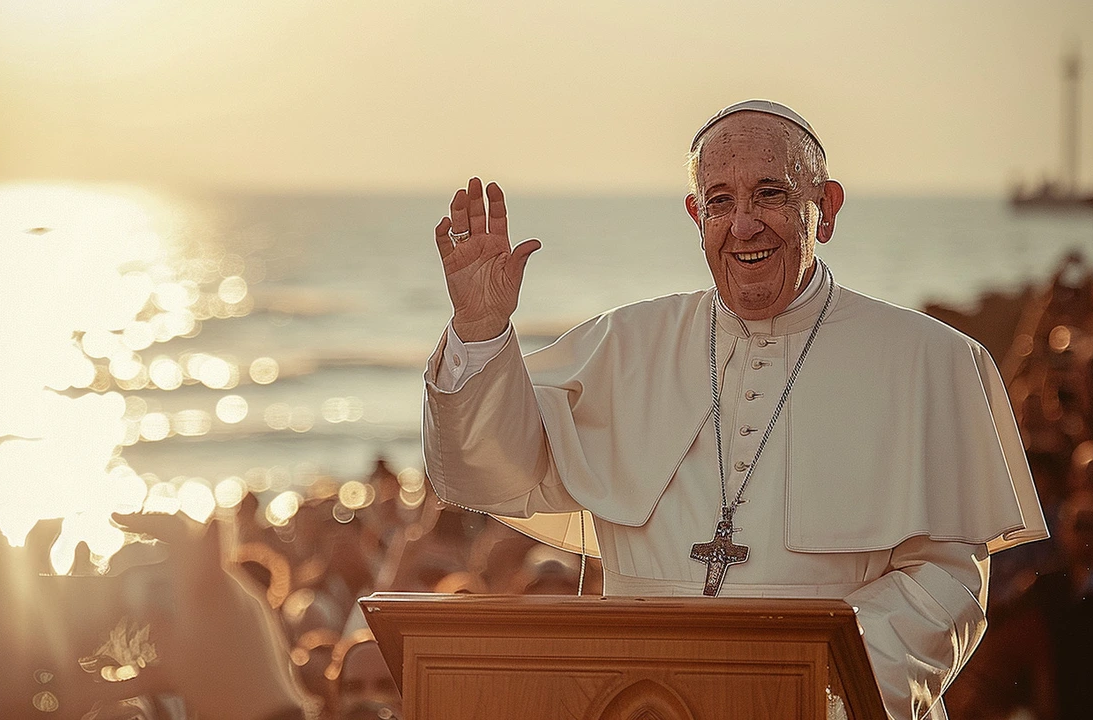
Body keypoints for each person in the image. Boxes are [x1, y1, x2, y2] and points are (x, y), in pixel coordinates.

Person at [421, 99, 1049, 720]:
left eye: (771, 193)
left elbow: (946, 583)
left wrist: (819, 690)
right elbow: (488, 474)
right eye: (720, 201)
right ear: (697, 216)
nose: (743, 224)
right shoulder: (624, 347)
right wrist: (480, 330)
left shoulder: (928, 361)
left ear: (825, 209)